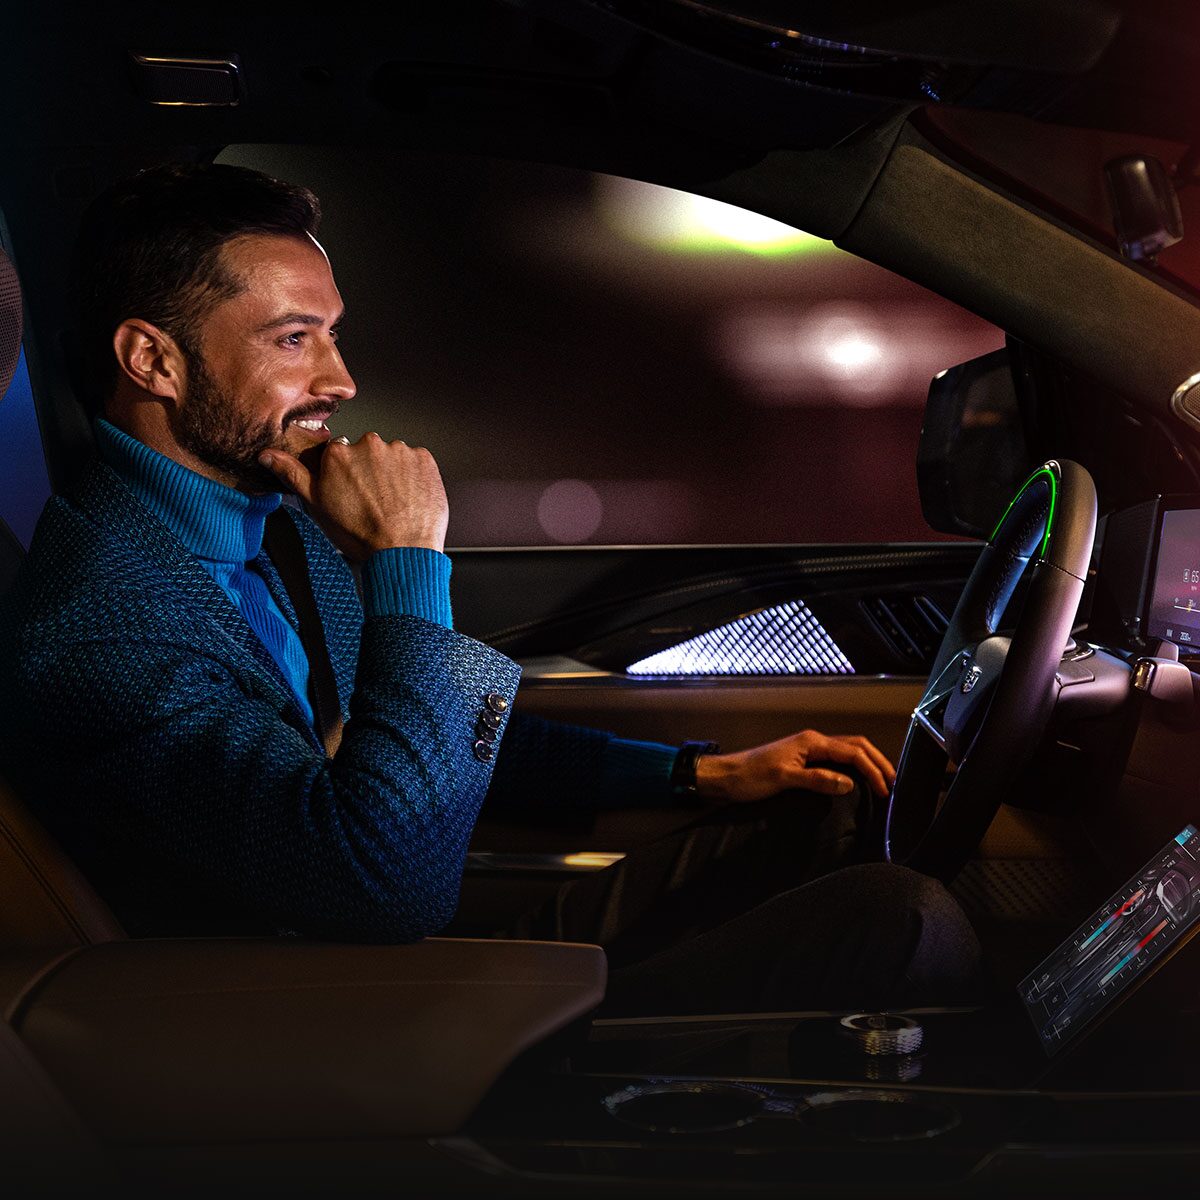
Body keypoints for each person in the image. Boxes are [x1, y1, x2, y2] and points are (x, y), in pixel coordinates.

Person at [0, 163, 979, 1013]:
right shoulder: (98, 631)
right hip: (323, 1021)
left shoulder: (274, 527)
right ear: (153, 359)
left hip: (392, 969)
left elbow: (421, 741)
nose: (340, 380)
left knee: (829, 818)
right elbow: (384, 879)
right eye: (295, 340)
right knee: (898, 922)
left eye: (335, 335)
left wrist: (695, 774)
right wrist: (409, 561)